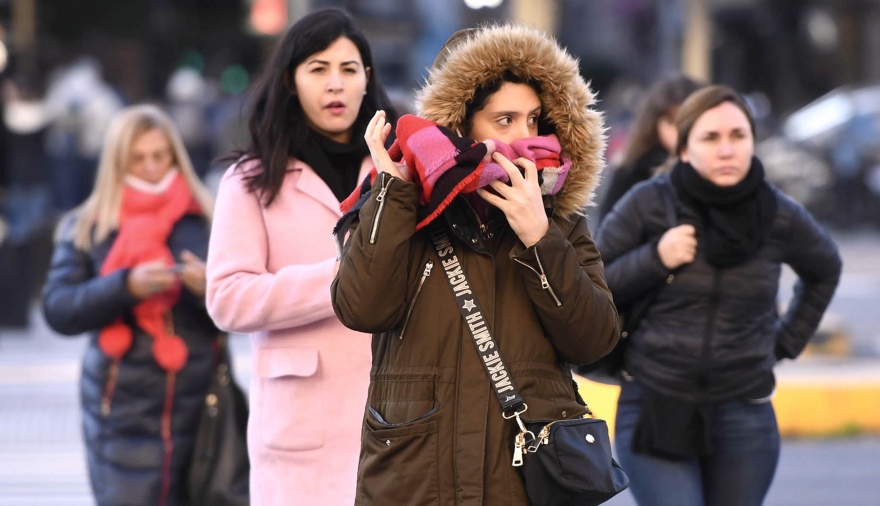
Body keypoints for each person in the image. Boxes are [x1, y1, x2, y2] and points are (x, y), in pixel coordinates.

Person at [331, 24, 619, 504]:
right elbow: (361, 308)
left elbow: (595, 341)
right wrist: (394, 194)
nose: (525, 139)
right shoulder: (402, 206)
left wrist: (539, 238)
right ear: (459, 125)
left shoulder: (561, 223)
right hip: (417, 479)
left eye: (535, 121)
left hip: (521, 482)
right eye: (504, 120)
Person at [596, 85, 842, 506]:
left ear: (752, 141)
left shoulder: (778, 213)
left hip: (743, 409)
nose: (727, 149)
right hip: (655, 400)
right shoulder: (648, 202)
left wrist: (784, 343)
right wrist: (655, 258)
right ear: (685, 148)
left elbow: (824, 268)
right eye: (711, 138)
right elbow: (593, 285)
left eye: (738, 136)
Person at [204, 8, 397, 505]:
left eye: (348, 69)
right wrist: (340, 279)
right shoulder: (249, 180)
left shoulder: (399, 170)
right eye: (318, 69)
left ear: (367, 80)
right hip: (301, 428)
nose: (335, 84)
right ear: (290, 81)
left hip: (400, 417)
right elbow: (227, 298)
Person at [41, 104, 220, 505]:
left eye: (161, 156)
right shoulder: (88, 223)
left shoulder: (206, 218)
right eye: (138, 159)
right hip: (120, 408)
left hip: (198, 403)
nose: (152, 168)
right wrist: (124, 286)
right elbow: (59, 309)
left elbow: (237, 315)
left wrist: (208, 288)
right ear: (117, 162)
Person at [598, 74, 704, 220]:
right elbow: (607, 234)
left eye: (688, 122)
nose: (680, 132)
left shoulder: (715, 168)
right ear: (654, 124)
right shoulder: (631, 174)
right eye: (672, 123)